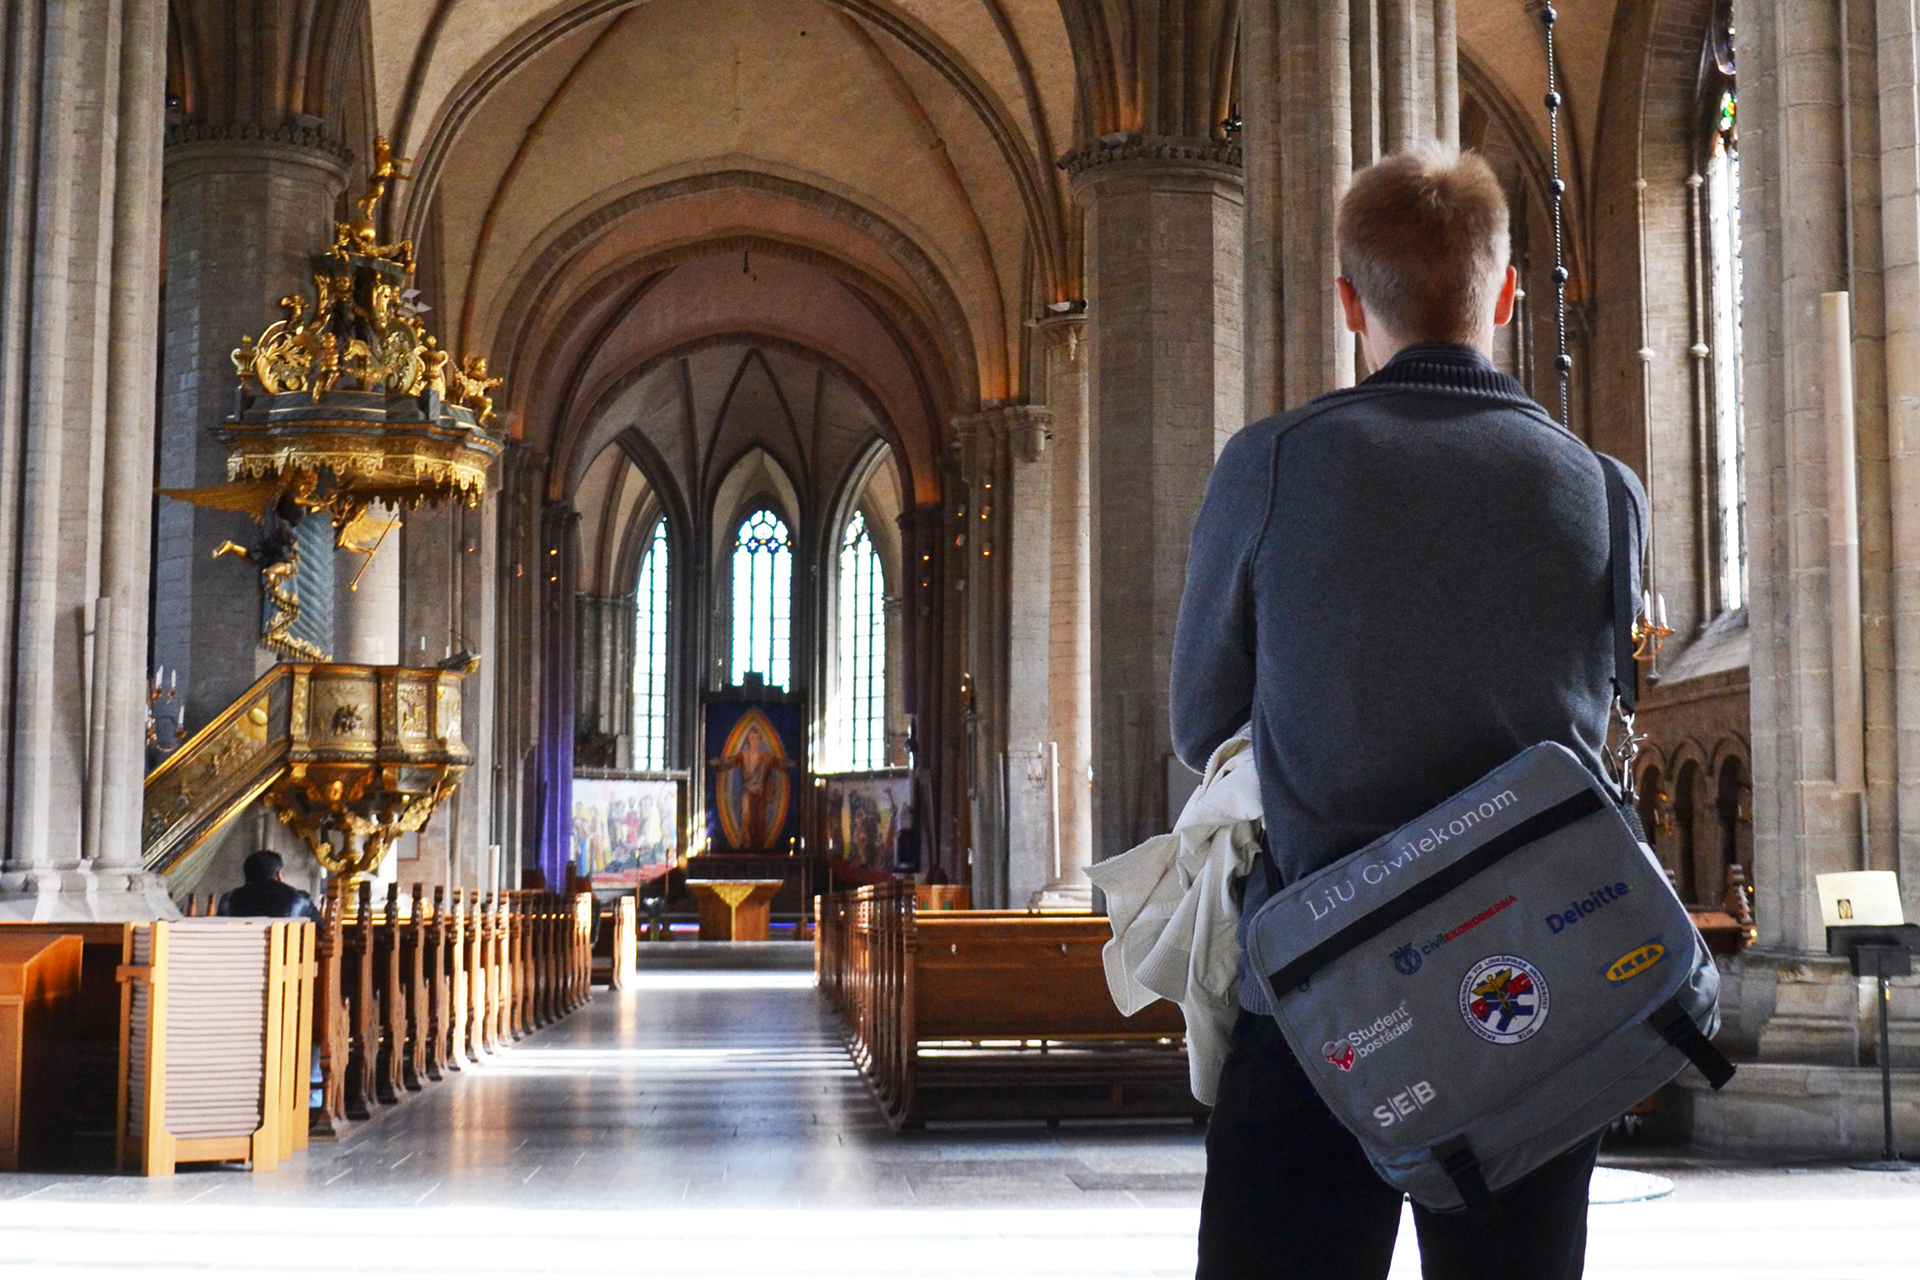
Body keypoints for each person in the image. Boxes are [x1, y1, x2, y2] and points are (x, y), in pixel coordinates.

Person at [1170, 147, 1645, 1280]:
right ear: (1506, 294)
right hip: (1528, 994)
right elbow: (1607, 703)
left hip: (1326, 998)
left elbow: (1201, 720)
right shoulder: (1603, 489)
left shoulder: (1270, 464)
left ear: (1347, 303)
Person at [217, 850, 322, 921]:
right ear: (279, 874)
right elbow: (321, 929)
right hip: (286, 953)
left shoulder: (228, 899)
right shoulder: (299, 899)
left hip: (240, 952)